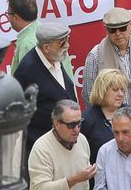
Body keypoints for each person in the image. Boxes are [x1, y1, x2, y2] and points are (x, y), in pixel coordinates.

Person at [15, 22, 80, 161]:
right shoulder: (27, 71)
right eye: (62, 43)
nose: (67, 45)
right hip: (42, 150)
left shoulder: (55, 57)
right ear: (46, 47)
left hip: (63, 144)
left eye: (68, 40)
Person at [83, 6, 131, 125]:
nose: (118, 33)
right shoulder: (95, 55)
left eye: (122, 28)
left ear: (130, 25)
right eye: (112, 30)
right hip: (112, 127)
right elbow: (89, 95)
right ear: (106, 29)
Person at [29, 99, 97, 190]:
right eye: (71, 125)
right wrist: (73, 180)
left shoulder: (82, 140)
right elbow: (39, 187)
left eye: (79, 123)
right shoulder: (41, 148)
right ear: (57, 124)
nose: (77, 129)